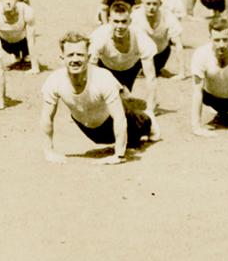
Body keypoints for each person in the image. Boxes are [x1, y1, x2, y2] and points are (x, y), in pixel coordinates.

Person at [42, 31, 153, 163]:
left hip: (119, 120)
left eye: (80, 55)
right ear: (62, 58)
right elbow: (47, 117)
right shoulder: (54, 80)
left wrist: (118, 155)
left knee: (139, 124)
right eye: (70, 55)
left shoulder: (103, 78)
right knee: (101, 138)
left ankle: (148, 121)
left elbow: (119, 118)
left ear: (88, 57)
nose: (75, 59)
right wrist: (49, 151)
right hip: (90, 128)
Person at [90, 0, 163, 116]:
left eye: (124, 22)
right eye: (116, 21)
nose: (120, 26)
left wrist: (150, 108)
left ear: (130, 21)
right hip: (106, 68)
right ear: (109, 20)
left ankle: (124, 94)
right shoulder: (99, 36)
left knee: (122, 104)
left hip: (129, 69)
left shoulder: (140, 38)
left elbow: (151, 77)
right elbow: (90, 72)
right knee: (106, 106)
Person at [131, 0, 184, 78]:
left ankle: (156, 69)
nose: (151, 7)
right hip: (138, 55)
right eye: (148, 4)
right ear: (143, 3)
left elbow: (178, 44)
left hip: (159, 54)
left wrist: (182, 73)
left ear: (160, 4)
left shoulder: (168, 16)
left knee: (153, 72)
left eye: (155, 4)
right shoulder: (135, 17)